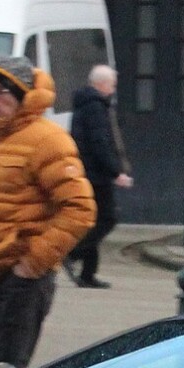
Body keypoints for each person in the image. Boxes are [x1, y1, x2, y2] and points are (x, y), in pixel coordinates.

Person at [0, 57, 95, 368]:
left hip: (23, 278)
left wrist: (33, 263)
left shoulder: (48, 140)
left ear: (23, 95)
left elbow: (80, 209)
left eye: (0, 92)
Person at [66, 63, 133, 288]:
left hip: (89, 171)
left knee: (92, 221)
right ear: (102, 84)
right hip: (94, 174)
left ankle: (87, 273)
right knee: (106, 218)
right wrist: (116, 172)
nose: (113, 90)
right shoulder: (95, 107)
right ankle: (72, 253)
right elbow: (100, 143)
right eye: (112, 85)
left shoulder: (87, 104)